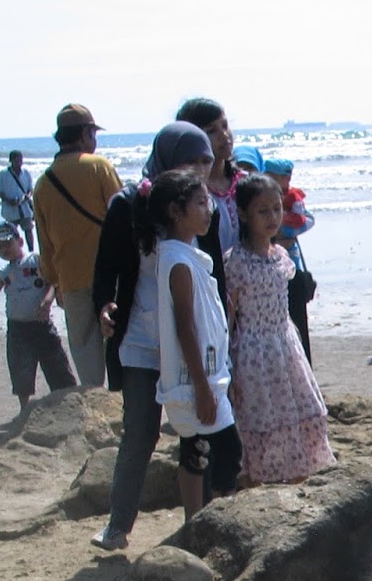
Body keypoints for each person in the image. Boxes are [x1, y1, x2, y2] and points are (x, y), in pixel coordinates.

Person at [90, 121, 217, 552]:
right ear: (166, 160)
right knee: (141, 430)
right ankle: (118, 526)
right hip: (143, 340)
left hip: (189, 344)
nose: (200, 170)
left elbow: (210, 267)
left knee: (196, 429)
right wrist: (104, 305)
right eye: (190, 161)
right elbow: (106, 267)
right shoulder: (129, 205)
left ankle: (195, 524)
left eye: (206, 161)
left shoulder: (202, 206)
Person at [226, 172, 336, 483]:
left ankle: (298, 479)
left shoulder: (281, 256)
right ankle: (260, 481)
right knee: (263, 419)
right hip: (253, 353)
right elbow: (230, 317)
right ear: (244, 214)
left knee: (301, 412)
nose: (273, 217)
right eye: (263, 211)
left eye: (276, 209)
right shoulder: (237, 261)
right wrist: (228, 364)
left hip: (284, 346)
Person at [149, 168, 242, 521]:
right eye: (201, 202)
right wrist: (203, 386)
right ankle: (216, 522)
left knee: (196, 449)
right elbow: (184, 327)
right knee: (227, 451)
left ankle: (195, 521)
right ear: (176, 211)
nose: (210, 210)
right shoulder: (177, 261)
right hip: (195, 381)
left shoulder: (184, 254)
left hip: (200, 376)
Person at [32, 103, 122, 388]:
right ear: (84, 134)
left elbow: (44, 242)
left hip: (71, 278)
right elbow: (122, 217)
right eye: (93, 133)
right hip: (110, 273)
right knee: (118, 343)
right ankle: (121, 406)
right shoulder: (99, 167)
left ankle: (94, 401)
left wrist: (54, 282)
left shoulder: (44, 183)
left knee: (84, 349)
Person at [0, 222, 77, 412]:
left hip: (42, 326)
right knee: (21, 373)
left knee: (58, 370)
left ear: (20, 241)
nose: (4, 249)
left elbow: (53, 282)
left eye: (8, 244)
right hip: (17, 329)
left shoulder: (36, 261)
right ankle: (25, 410)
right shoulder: (4, 273)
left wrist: (47, 301)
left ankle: (66, 406)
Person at [263, 157, 316, 360]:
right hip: (268, 268)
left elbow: (307, 221)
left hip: (291, 268)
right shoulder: (257, 195)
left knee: (296, 321)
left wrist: (285, 230)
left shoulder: (293, 197)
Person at [176, 98, 242, 257]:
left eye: (225, 125)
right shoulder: (186, 193)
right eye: (211, 131)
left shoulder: (244, 183)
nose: (224, 134)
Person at [0, 151, 35, 251]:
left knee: (29, 231)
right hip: (10, 210)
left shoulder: (26, 173)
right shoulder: (3, 174)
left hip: (24, 208)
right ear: (11, 161)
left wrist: (27, 196)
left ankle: (31, 252)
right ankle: (14, 253)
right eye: (16, 160)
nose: (19, 162)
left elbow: (30, 189)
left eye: (20, 160)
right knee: (12, 234)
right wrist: (9, 200)